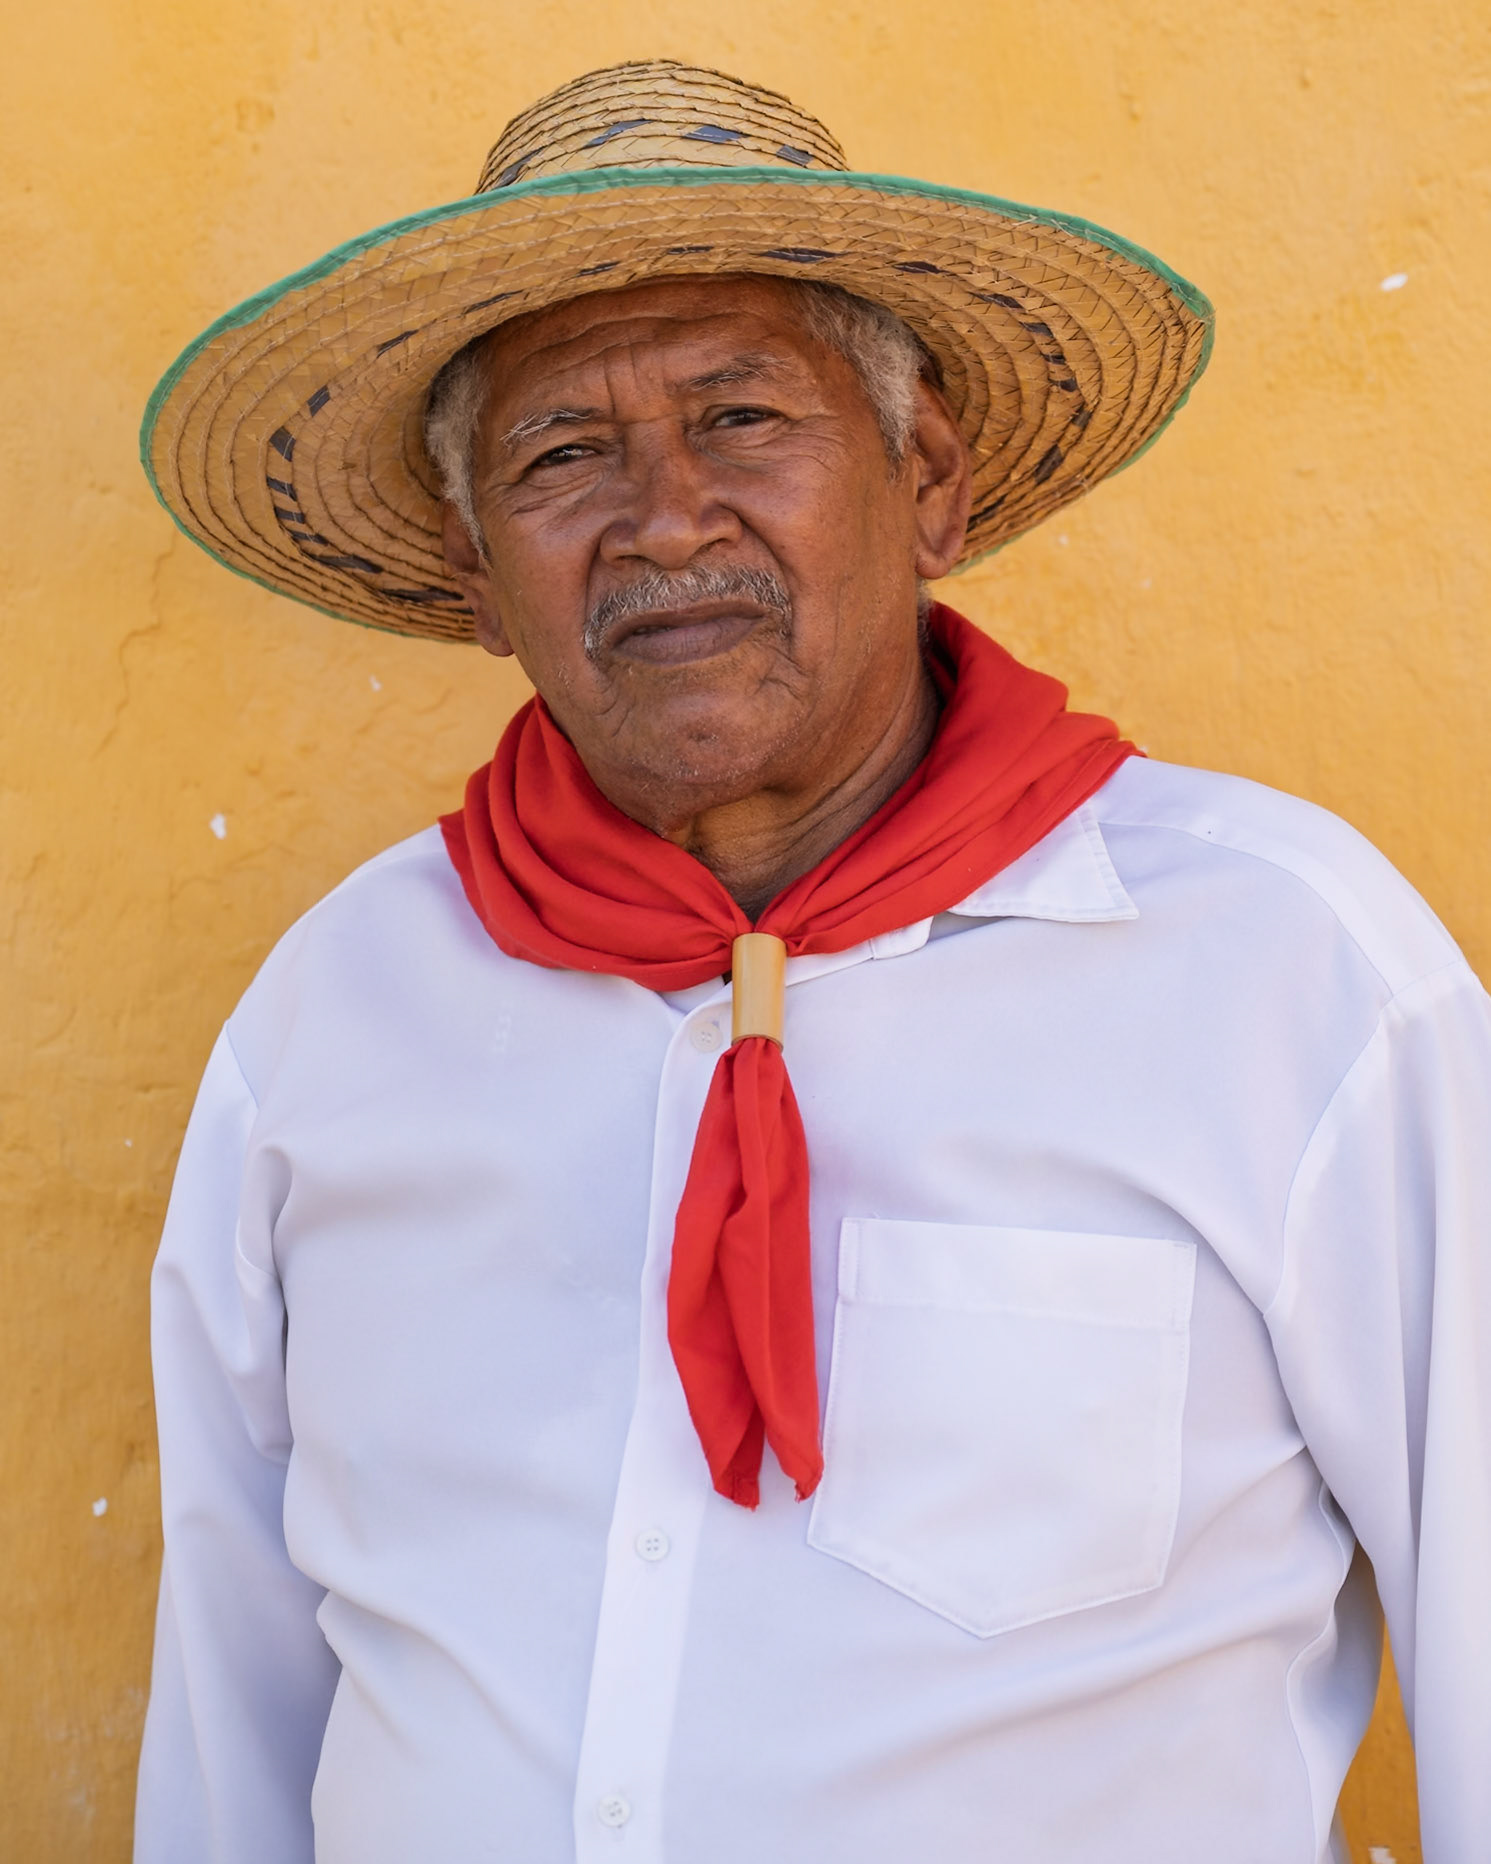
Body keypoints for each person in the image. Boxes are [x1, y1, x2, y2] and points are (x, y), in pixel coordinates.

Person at [134, 59, 1489, 1864]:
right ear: (476, 572)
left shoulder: (1286, 972)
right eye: (563, 455)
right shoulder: (340, 1009)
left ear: (925, 481)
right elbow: (236, 1714)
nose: (665, 519)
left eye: (743, 417)